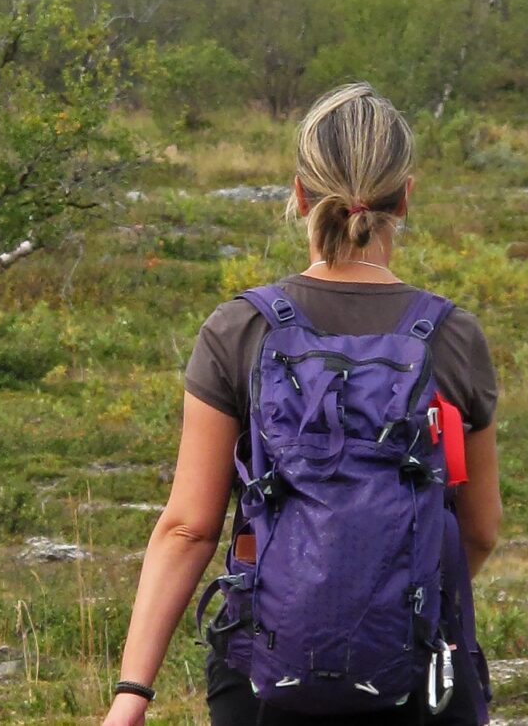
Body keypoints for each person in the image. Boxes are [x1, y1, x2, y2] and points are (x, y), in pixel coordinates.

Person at [102, 83, 503, 725]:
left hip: (264, 671)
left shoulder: (239, 328)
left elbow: (189, 528)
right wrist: (391, 599)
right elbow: (480, 527)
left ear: (297, 194)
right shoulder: (453, 336)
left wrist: (132, 695)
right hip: (419, 668)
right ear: (405, 198)